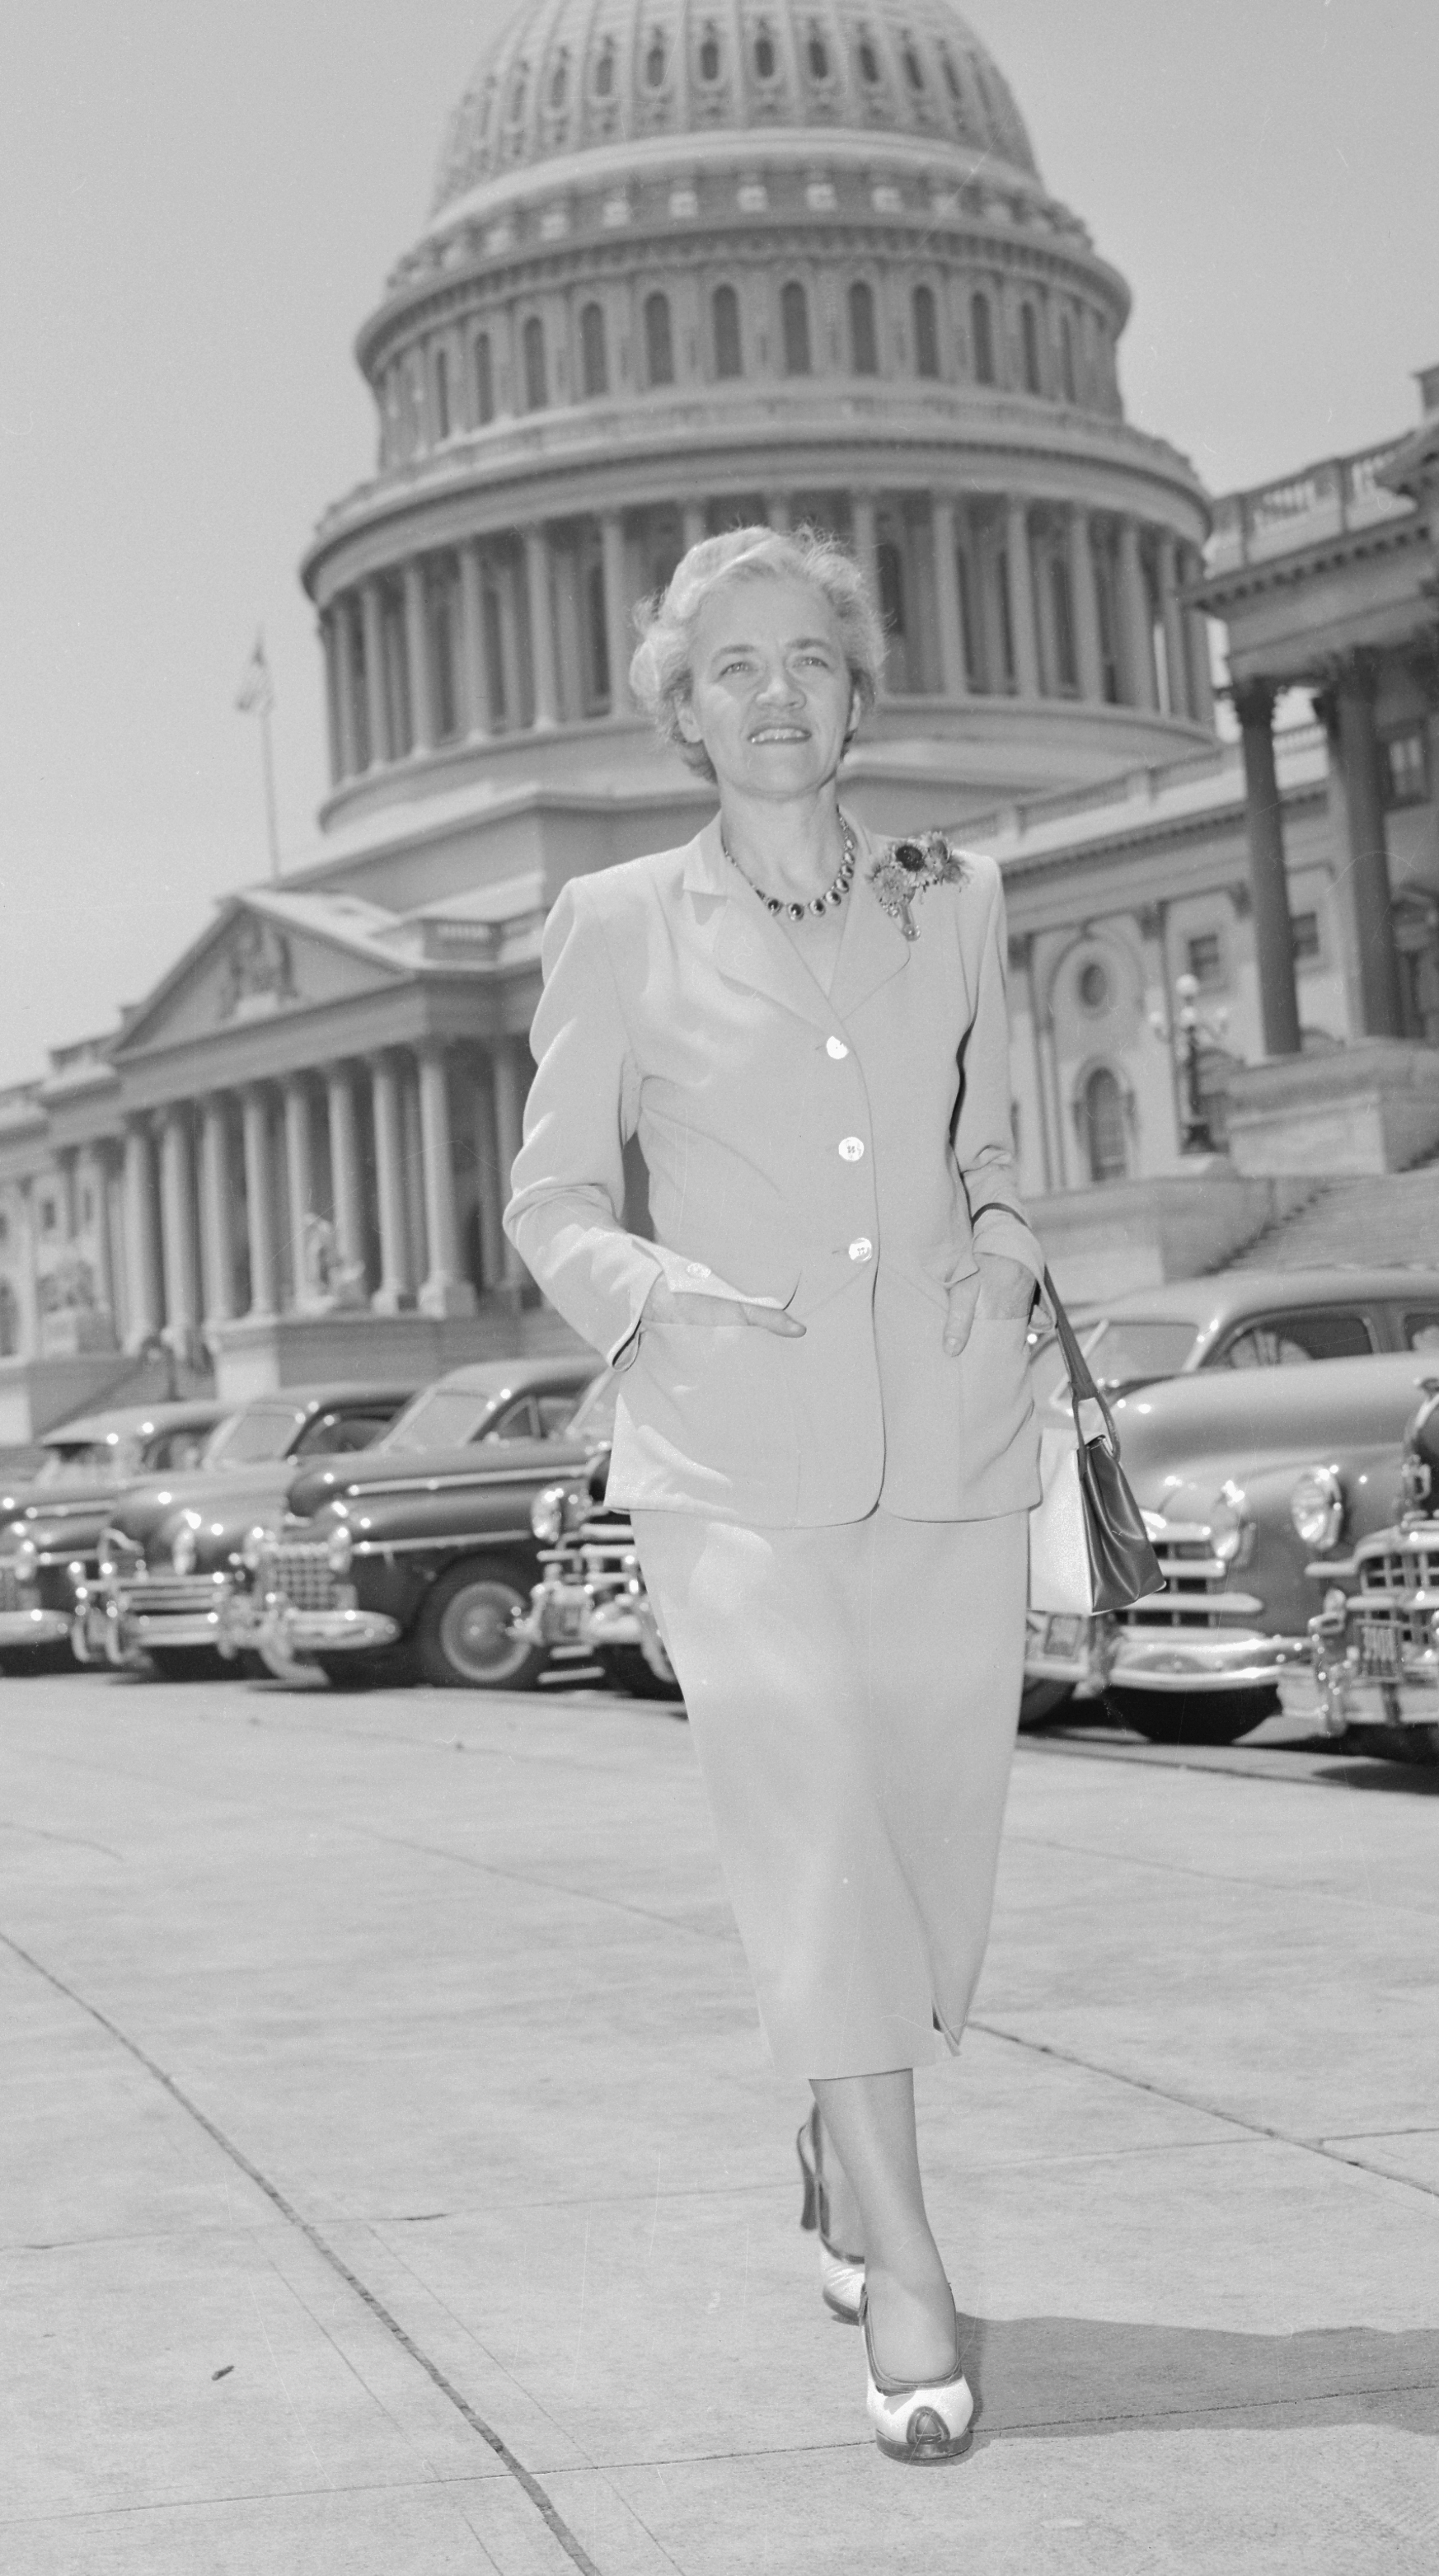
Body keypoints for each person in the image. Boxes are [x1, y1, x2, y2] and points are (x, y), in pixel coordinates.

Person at [506, 524, 1044, 2464]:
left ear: (855, 689)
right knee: (813, 1841)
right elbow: (552, 1202)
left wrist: (1002, 1248)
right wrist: (661, 1302)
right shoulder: (617, 920)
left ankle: (835, 2135)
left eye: (806, 657)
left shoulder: (956, 900)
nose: (772, 693)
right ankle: (907, 2259)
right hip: (734, 1459)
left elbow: (992, 1146)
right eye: (730, 667)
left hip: (951, 1444)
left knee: (917, 1849)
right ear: (680, 711)